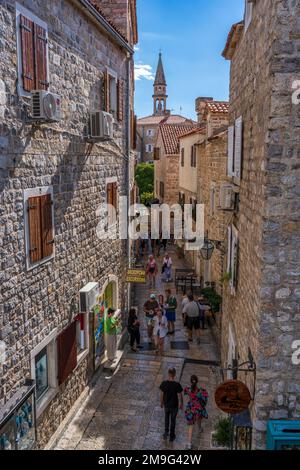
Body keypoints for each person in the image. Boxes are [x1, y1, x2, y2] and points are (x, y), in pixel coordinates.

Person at [184, 375, 208, 449]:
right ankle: (200, 428)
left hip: (191, 408)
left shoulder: (188, 389)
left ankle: (189, 443)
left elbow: (185, 392)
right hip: (197, 408)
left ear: (191, 381)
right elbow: (205, 399)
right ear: (197, 381)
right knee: (199, 417)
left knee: (191, 425)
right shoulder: (201, 391)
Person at [159, 368, 183, 442]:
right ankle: (171, 436)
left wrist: (161, 402)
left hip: (166, 405)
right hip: (174, 405)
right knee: (173, 420)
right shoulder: (177, 385)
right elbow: (180, 395)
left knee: (166, 418)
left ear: (168, 374)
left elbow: (162, 394)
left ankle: (166, 433)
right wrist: (181, 403)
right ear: (174, 374)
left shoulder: (164, 383)